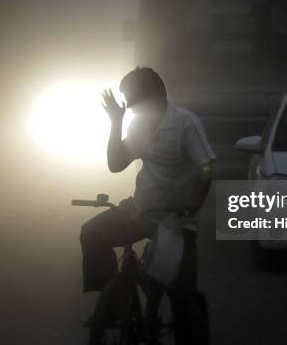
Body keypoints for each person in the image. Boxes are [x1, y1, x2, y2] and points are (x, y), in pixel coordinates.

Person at [80, 66, 215, 344]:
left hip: (176, 219)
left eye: (131, 99)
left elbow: (206, 167)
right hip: (139, 210)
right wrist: (115, 122)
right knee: (91, 232)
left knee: (183, 295)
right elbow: (116, 165)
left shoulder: (185, 123)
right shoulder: (137, 124)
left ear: (155, 96)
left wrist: (192, 205)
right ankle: (112, 303)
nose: (127, 105)